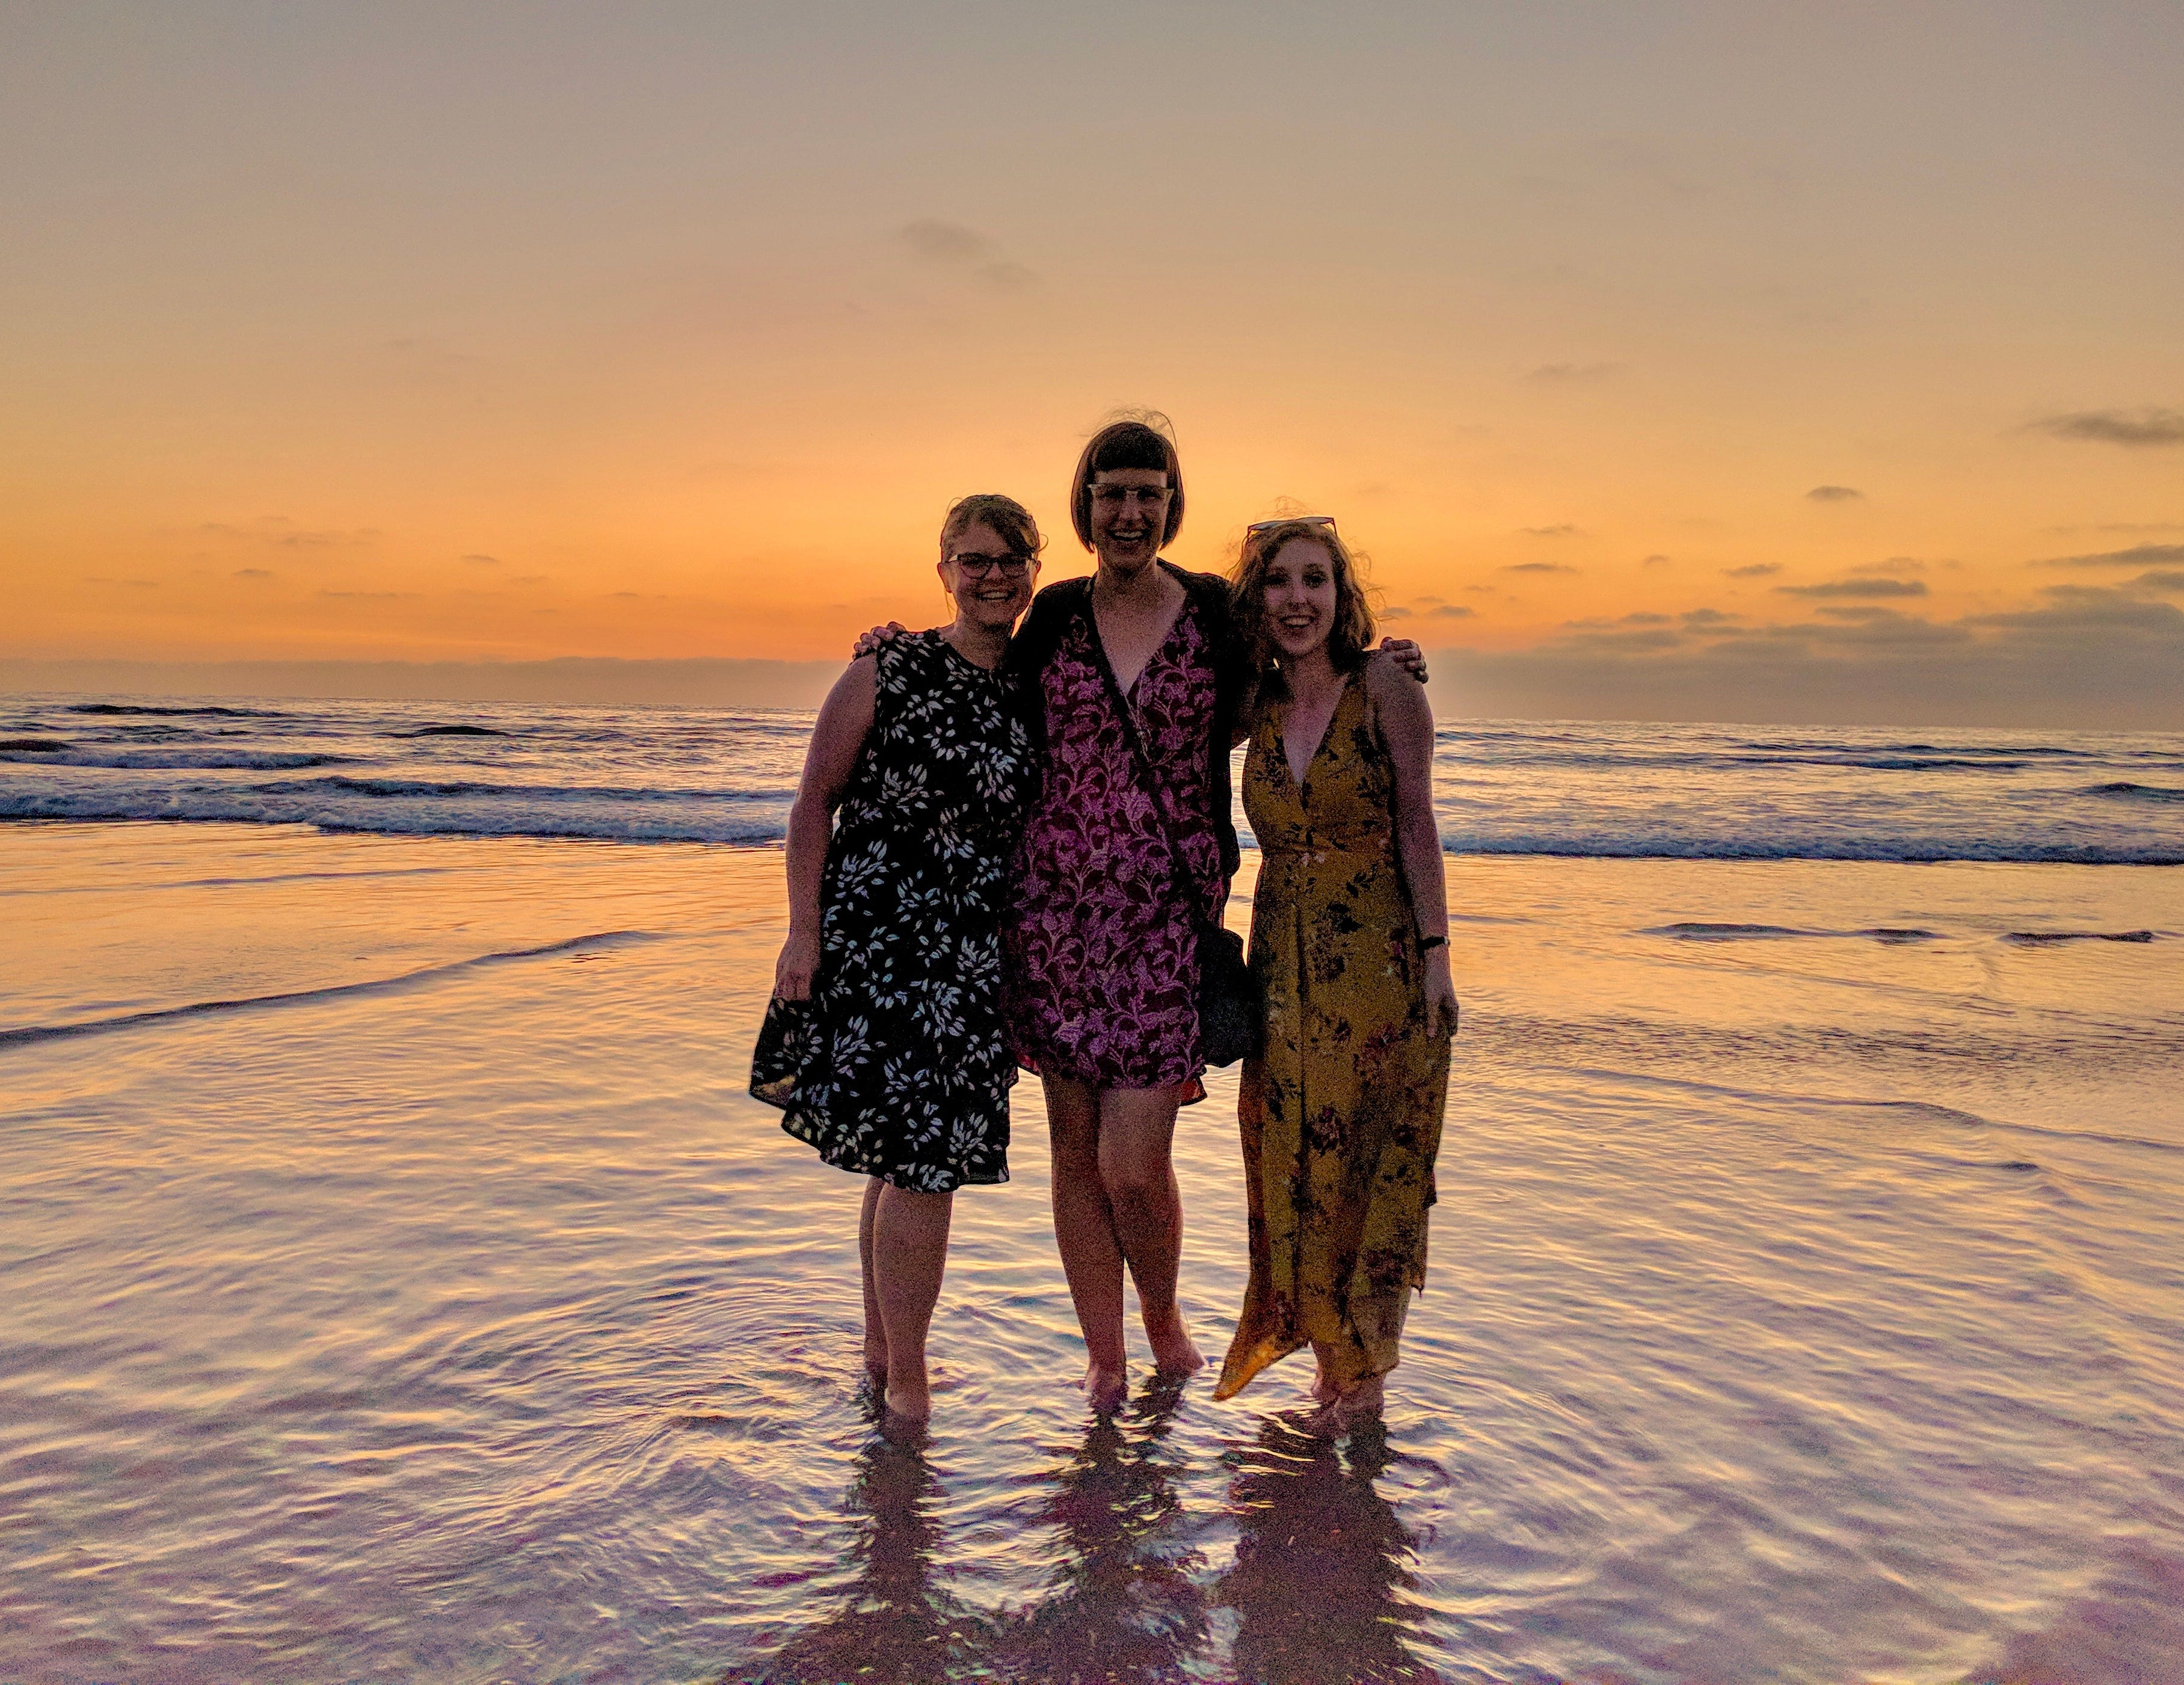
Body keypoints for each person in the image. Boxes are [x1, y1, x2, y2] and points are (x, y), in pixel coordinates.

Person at [857, 416, 1427, 1412]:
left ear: (1172, 505)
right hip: (1051, 916)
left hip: (1166, 920)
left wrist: (1388, 660)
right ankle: (1107, 1352)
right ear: (1085, 506)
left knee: (1133, 1161)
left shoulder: (1213, 611)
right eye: (1112, 492)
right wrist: (889, 646)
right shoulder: (1054, 616)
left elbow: (1305, 663)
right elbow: (973, 663)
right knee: (1074, 1156)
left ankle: (1161, 1312)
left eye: (1148, 493)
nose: (1129, 510)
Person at [751, 493, 1044, 1424]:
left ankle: (883, 1356)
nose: (992, 574)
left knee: (902, 1159)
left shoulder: (1037, 684)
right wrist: (804, 932)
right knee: (921, 1162)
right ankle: (910, 1381)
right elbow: (812, 803)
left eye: (1009, 558)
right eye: (973, 558)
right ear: (944, 570)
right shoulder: (893, 664)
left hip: (973, 957)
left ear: (1035, 567)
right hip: (882, 946)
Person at [1211, 516, 1458, 1432]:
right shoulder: (1255, 705)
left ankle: (1365, 1381)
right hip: (1283, 968)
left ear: (1342, 594)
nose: (1298, 599)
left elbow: (1417, 827)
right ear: (1258, 599)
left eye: (1315, 580)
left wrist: (1437, 958)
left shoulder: (1387, 683)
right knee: (1292, 1160)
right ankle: (1329, 1361)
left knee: (1369, 1158)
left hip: (1379, 967)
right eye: (1278, 582)